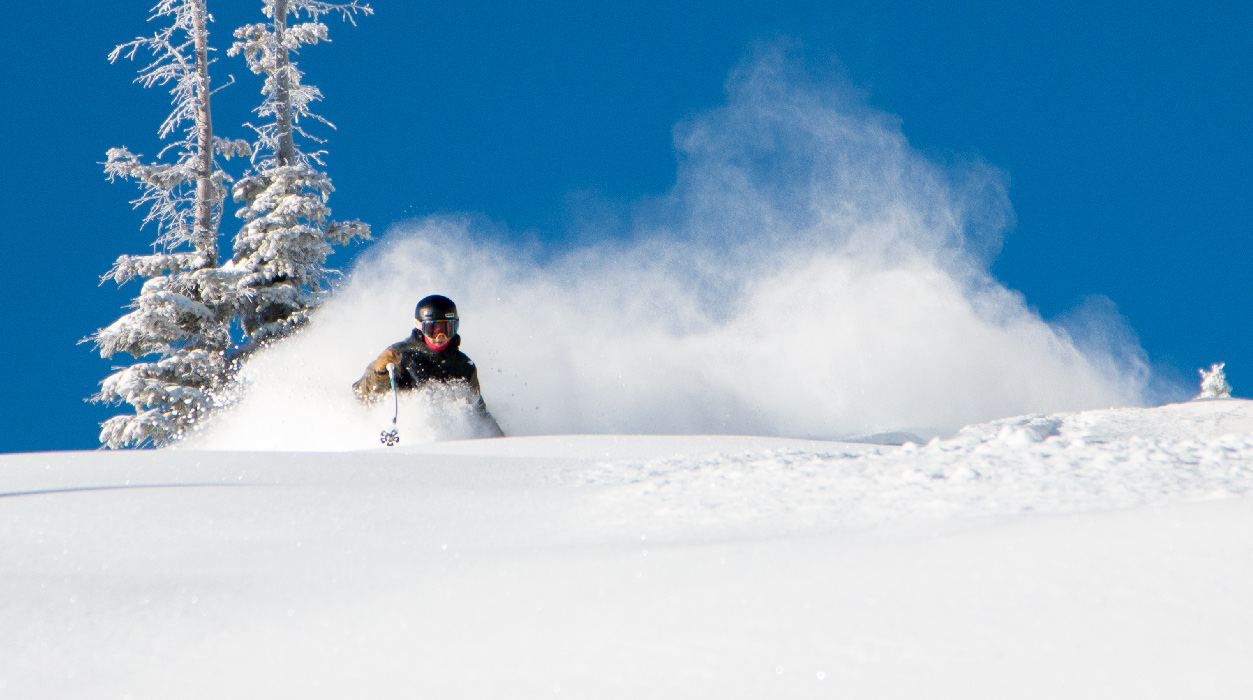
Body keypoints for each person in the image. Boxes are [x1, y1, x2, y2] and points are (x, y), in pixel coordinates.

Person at [353, 294, 504, 436]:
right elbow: (362, 396)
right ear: (420, 327)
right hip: (404, 436)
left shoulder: (464, 366)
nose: (440, 337)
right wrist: (380, 375)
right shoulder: (398, 356)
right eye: (432, 330)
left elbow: (479, 413)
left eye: (447, 329)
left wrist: (500, 440)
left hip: (450, 440)